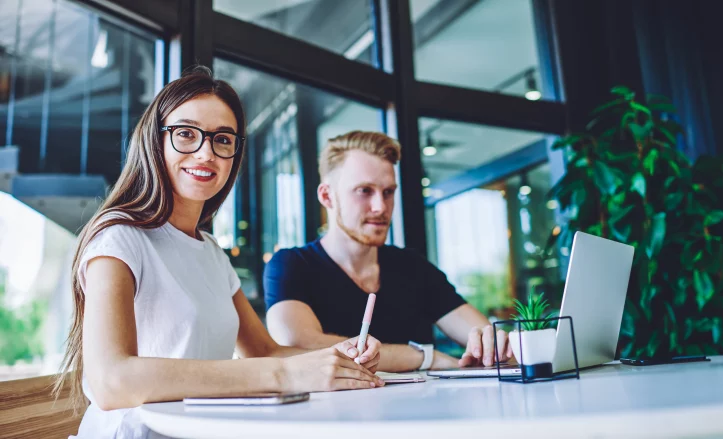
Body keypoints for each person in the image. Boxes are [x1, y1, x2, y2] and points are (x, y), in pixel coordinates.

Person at [54, 68, 384, 439]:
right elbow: (110, 382)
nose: (206, 152)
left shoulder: (211, 251)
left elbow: (263, 350)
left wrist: (336, 358)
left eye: (222, 139)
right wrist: (285, 376)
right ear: (154, 140)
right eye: (186, 134)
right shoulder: (118, 238)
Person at [264, 131, 513, 372]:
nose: (380, 207)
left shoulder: (412, 267)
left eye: (388, 192)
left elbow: (483, 336)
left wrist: (492, 344)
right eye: (365, 191)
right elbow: (296, 346)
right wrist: (422, 357)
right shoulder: (292, 264)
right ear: (327, 196)